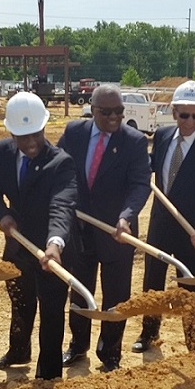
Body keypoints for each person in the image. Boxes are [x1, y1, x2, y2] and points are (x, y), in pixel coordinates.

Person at [0, 92, 78, 379]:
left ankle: (48, 373)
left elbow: (62, 206)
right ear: (10, 132)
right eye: (23, 137)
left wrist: (54, 243)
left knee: (50, 311)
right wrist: (4, 215)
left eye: (36, 134)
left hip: (52, 251)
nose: (32, 143)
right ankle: (18, 351)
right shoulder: (1, 151)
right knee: (20, 302)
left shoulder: (61, 162)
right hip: (17, 247)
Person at [57, 84, 151, 372]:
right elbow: (58, 167)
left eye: (119, 111)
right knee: (79, 290)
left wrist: (125, 216)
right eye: (106, 112)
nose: (114, 117)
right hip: (80, 230)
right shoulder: (74, 132)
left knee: (116, 296)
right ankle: (77, 345)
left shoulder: (134, 141)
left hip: (116, 233)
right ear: (92, 109)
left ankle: (110, 354)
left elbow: (139, 185)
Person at [132, 80, 195, 353]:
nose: (189, 121)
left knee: (194, 285)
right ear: (173, 112)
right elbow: (150, 169)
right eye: (184, 114)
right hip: (160, 224)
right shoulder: (161, 137)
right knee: (153, 282)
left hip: (192, 232)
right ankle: (149, 333)